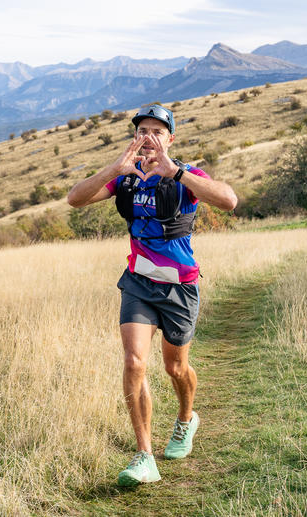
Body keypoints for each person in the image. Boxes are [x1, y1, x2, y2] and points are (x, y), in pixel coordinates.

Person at [67, 104, 238, 486]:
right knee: (133, 362)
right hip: (138, 283)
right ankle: (145, 456)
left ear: (170, 139)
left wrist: (177, 172)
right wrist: (114, 168)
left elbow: (228, 201)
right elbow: (74, 199)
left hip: (179, 286)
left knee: (175, 368)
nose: (148, 138)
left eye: (156, 132)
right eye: (142, 131)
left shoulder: (185, 175)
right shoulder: (126, 178)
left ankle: (185, 419)